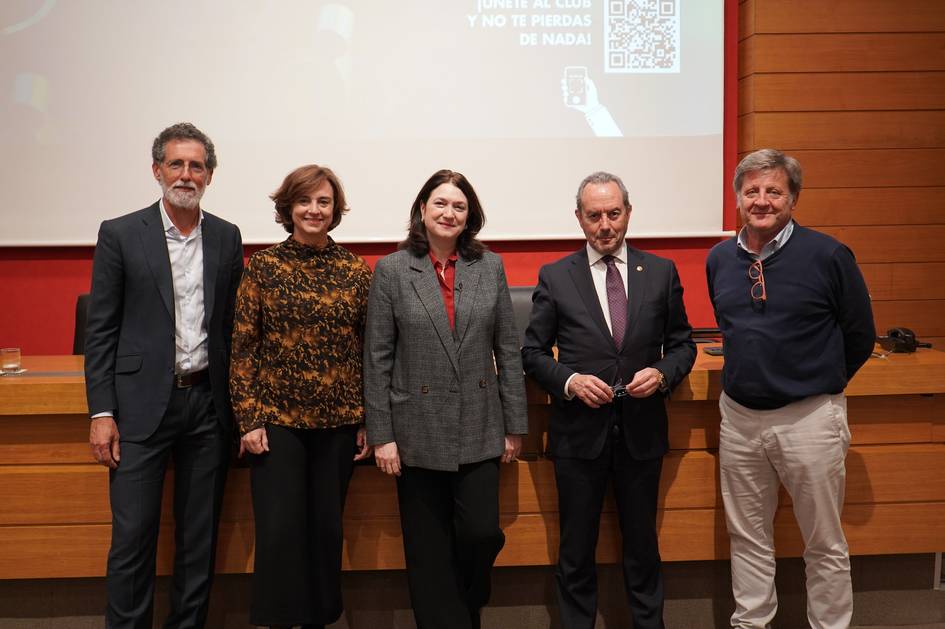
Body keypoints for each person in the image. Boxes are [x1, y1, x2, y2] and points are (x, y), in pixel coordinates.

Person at [706, 149, 875, 629]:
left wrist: (819, 383)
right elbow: (733, 328)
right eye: (751, 191)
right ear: (738, 198)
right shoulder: (720, 259)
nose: (761, 201)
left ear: (793, 198)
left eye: (773, 191)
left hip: (810, 418)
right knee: (748, 537)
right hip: (739, 420)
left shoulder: (829, 254)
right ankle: (751, 623)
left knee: (824, 543)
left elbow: (860, 333)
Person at [84, 122, 244, 628]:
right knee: (133, 540)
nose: (186, 174)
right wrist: (102, 411)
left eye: (197, 165)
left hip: (207, 408)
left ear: (210, 176)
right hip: (138, 409)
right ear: (157, 170)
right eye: (176, 163)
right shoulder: (121, 233)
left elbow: (231, 330)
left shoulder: (226, 236)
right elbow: (101, 331)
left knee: (198, 541)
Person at [522, 171, 695, 629]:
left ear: (629, 213)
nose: (605, 225)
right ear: (579, 218)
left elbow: (683, 345)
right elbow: (533, 353)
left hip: (641, 433)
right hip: (579, 436)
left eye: (614, 214)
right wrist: (570, 380)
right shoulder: (556, 277)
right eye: (594, 215)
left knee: (643, 549)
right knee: (576, 551)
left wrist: (661, 373)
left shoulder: (660, 272)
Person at [363, 169, 528, 629]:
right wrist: (383, 436)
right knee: (427, 550)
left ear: (469, 215)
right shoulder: (392, 270)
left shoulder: (488, 266)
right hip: (413, 431)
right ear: (422, 209)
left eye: (459, 206)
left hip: (479, 425)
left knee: (481, 533)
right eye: (440, 203)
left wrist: (514, 426)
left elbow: (507, 351)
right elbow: (377, 358)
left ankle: (466, 604)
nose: (449, 213)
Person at [229, 164, 373, 629]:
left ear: (335, 210)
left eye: (324, 202)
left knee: (326, 531)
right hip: (277, 424)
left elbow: (370, 349)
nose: (314, 210)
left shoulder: (354, 270)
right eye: (305, 201)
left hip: (339, 424)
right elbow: (243, 348)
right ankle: (278, 621)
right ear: (288, 207)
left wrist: (371, 420)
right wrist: (249, 419)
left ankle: (321, 619)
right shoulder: (264, 268)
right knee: (279, 532)